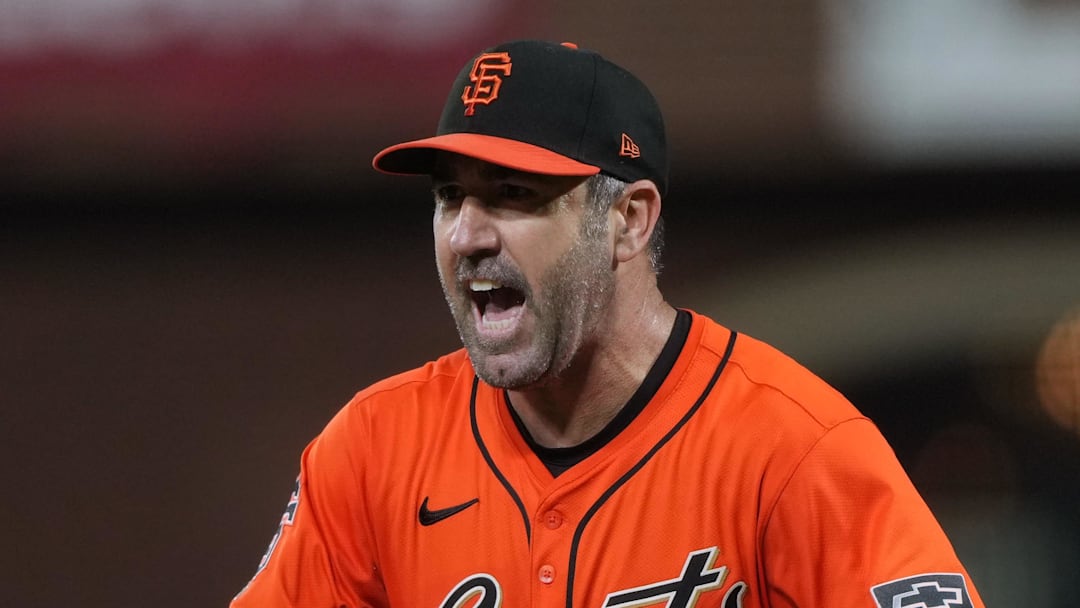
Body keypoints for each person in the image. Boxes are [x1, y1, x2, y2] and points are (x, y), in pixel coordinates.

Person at [230, 39, 986, 608]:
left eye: (515, 193)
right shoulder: (372, 454)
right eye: (449, 197)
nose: (467, 234)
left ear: (627, 220)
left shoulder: (793, 451)